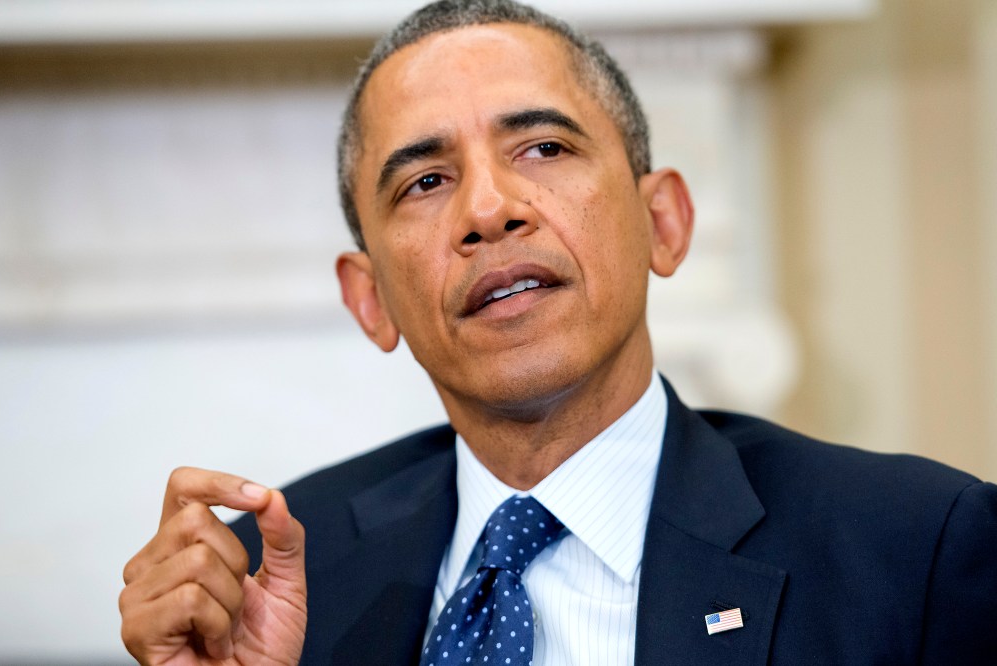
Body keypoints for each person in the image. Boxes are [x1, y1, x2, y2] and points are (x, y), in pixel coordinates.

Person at [118, 1, 997, 664]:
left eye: (543, 147)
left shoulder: (915, 552)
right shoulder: (263, 578)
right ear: (370, 299)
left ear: (664, 223)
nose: (489, 210)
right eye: (424, 181)